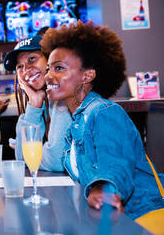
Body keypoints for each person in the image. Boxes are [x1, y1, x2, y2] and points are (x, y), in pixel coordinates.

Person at [40, 21, 164, 224]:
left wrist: (103, 189)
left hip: (140, 219)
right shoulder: (77, 121)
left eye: (58, 68)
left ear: (87, 75)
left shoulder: (103, 112)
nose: (47, 76)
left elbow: (114, 162)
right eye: (48, 69)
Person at [3, 29, 71, 171]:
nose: (26, 69)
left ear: (50, 60)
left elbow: (56, 160)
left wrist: (31, 154)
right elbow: (21, 158)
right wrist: (34, 103)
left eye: (32, 59)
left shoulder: (63, 98)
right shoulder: (43, 100)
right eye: (19, 66)